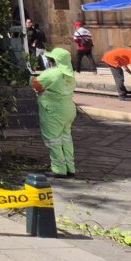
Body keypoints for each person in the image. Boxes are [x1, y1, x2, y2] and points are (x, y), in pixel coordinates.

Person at [32, 48, 77, 177]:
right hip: (68, 109)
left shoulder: (52, 73)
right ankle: (70, 168)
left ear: (53, 61)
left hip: (53, 110)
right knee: (66, 138)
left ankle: (59, 170)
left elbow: (37, 84)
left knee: (53, 140)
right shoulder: (70, 74)